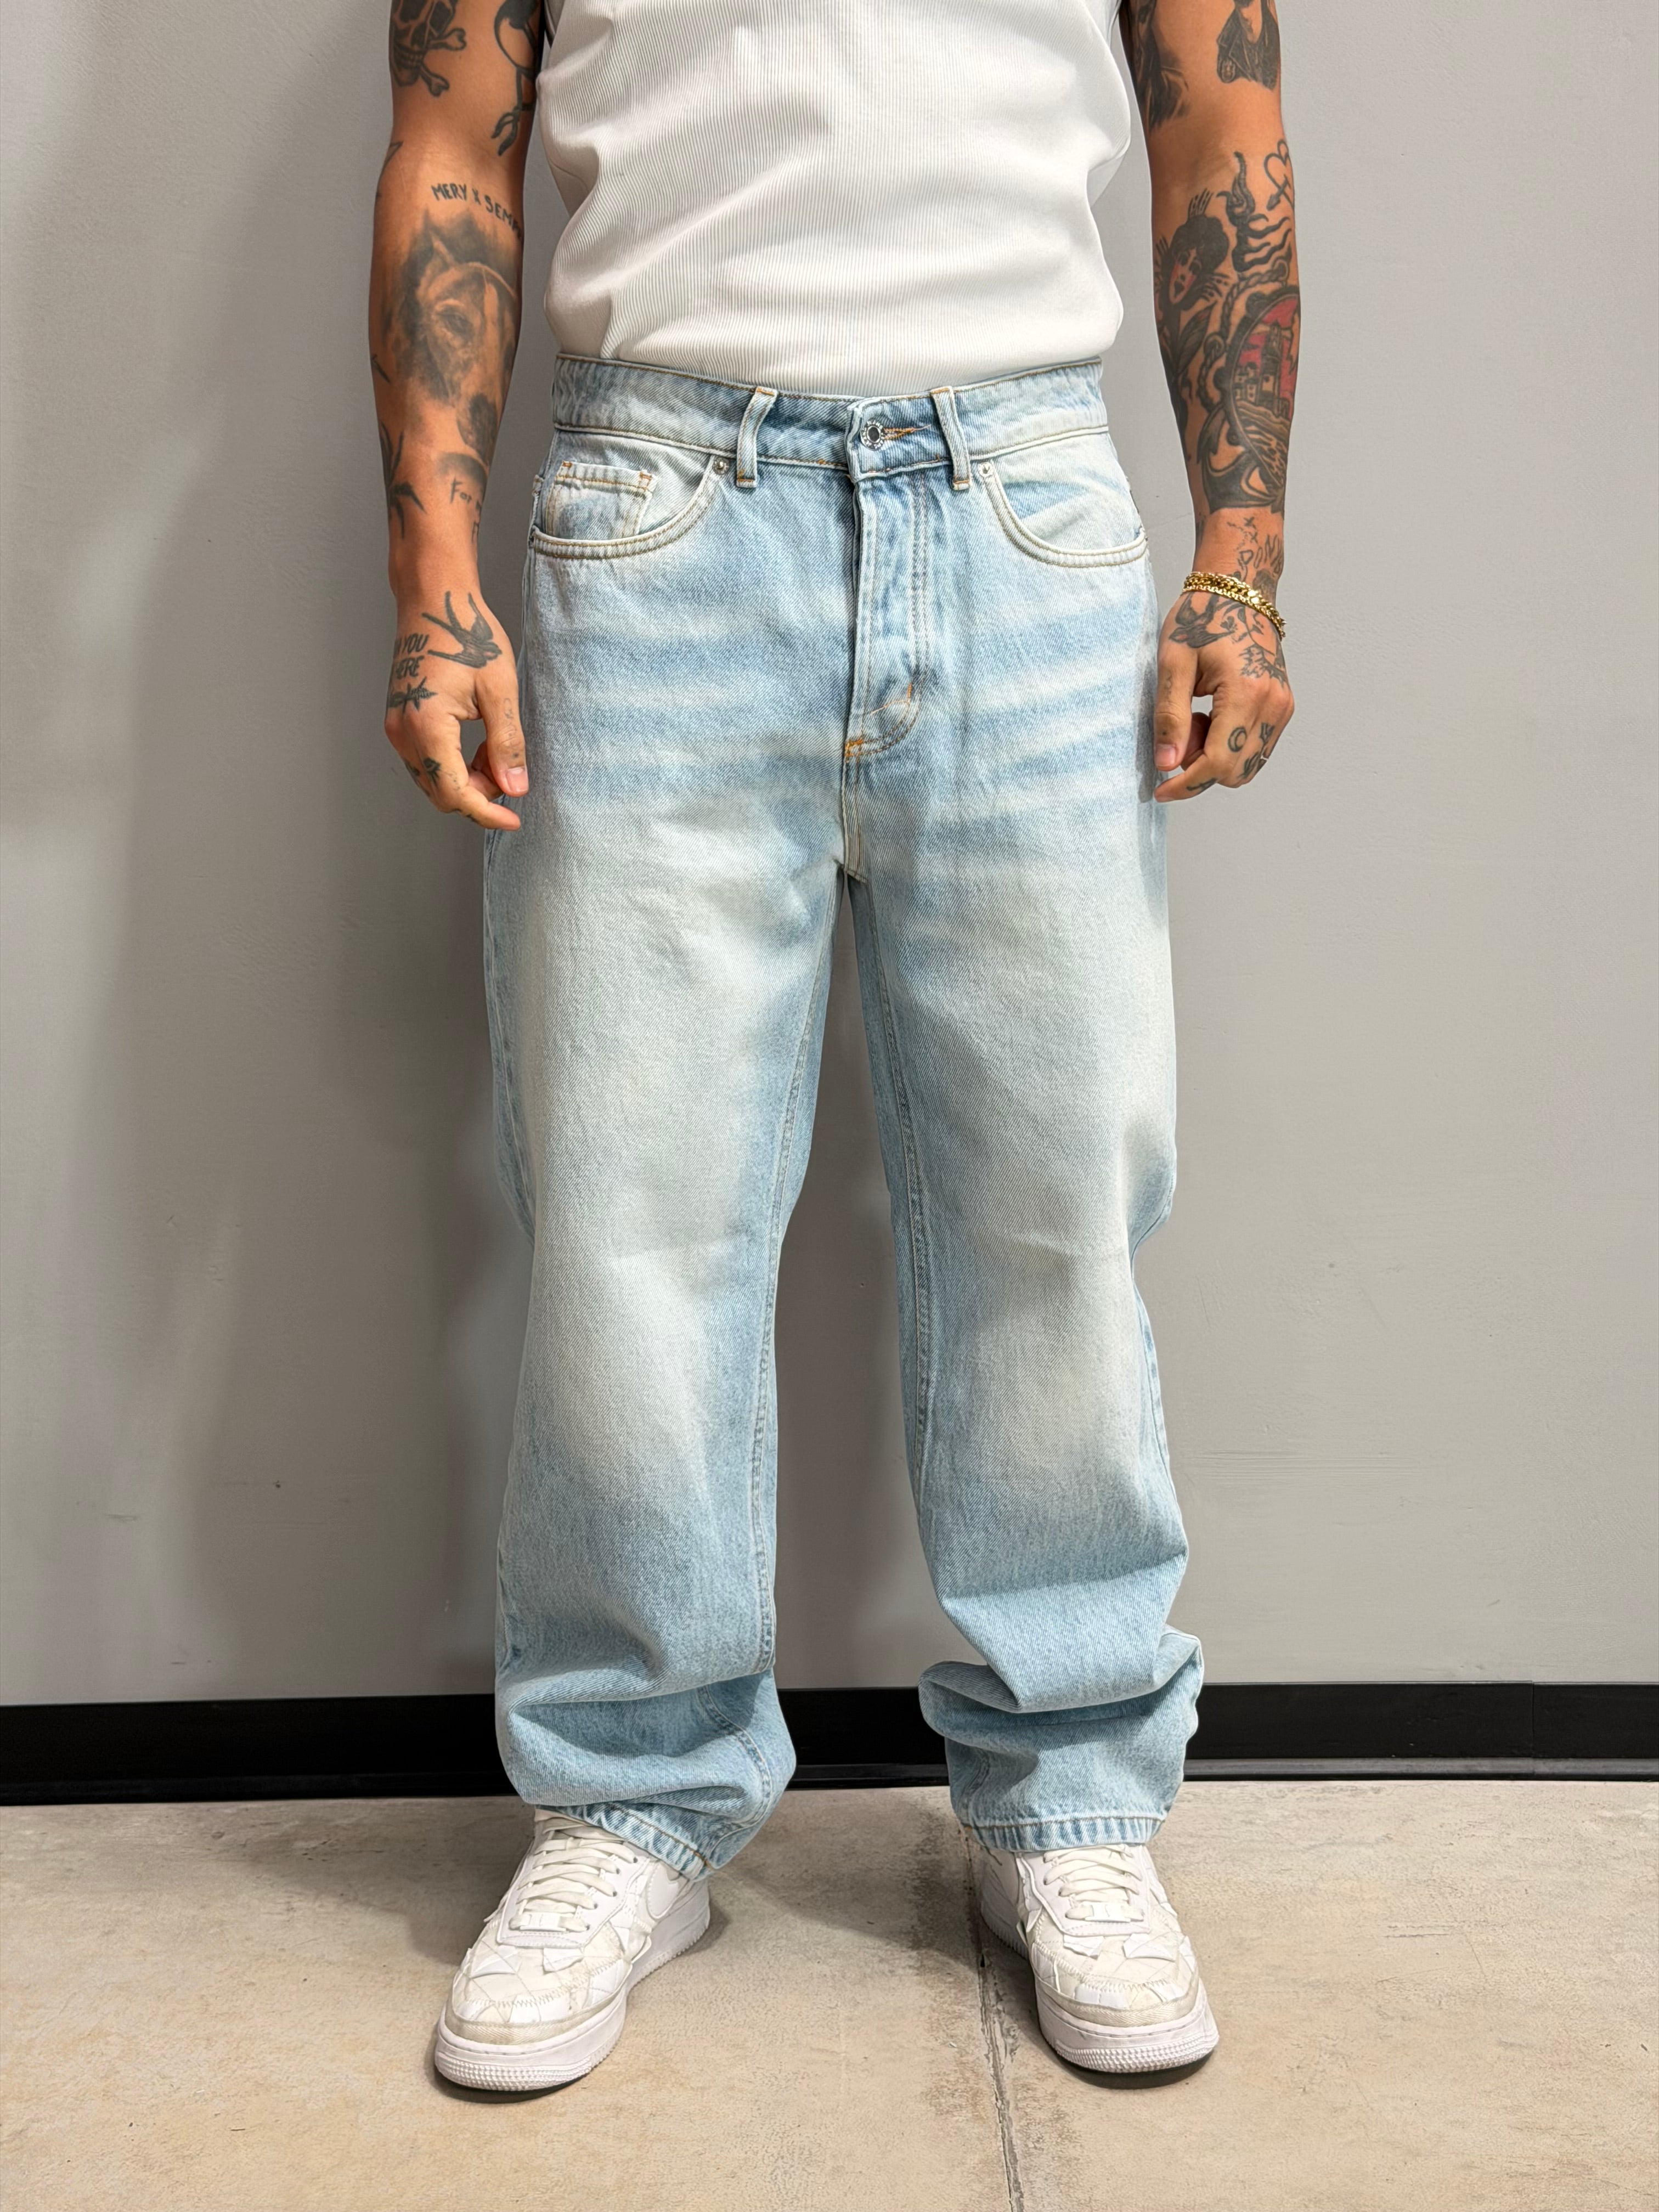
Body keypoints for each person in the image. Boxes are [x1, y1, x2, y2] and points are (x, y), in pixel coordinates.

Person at [368, 0, 1297, 2091]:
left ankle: (1073, 1797)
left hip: (1027, 505)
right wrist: (432, 573)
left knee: (1054, 1198)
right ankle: (630, 1798)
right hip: (658, 508)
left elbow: (1221, 127)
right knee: (632, 1206)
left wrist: (1241, 554)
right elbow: (451, 141)